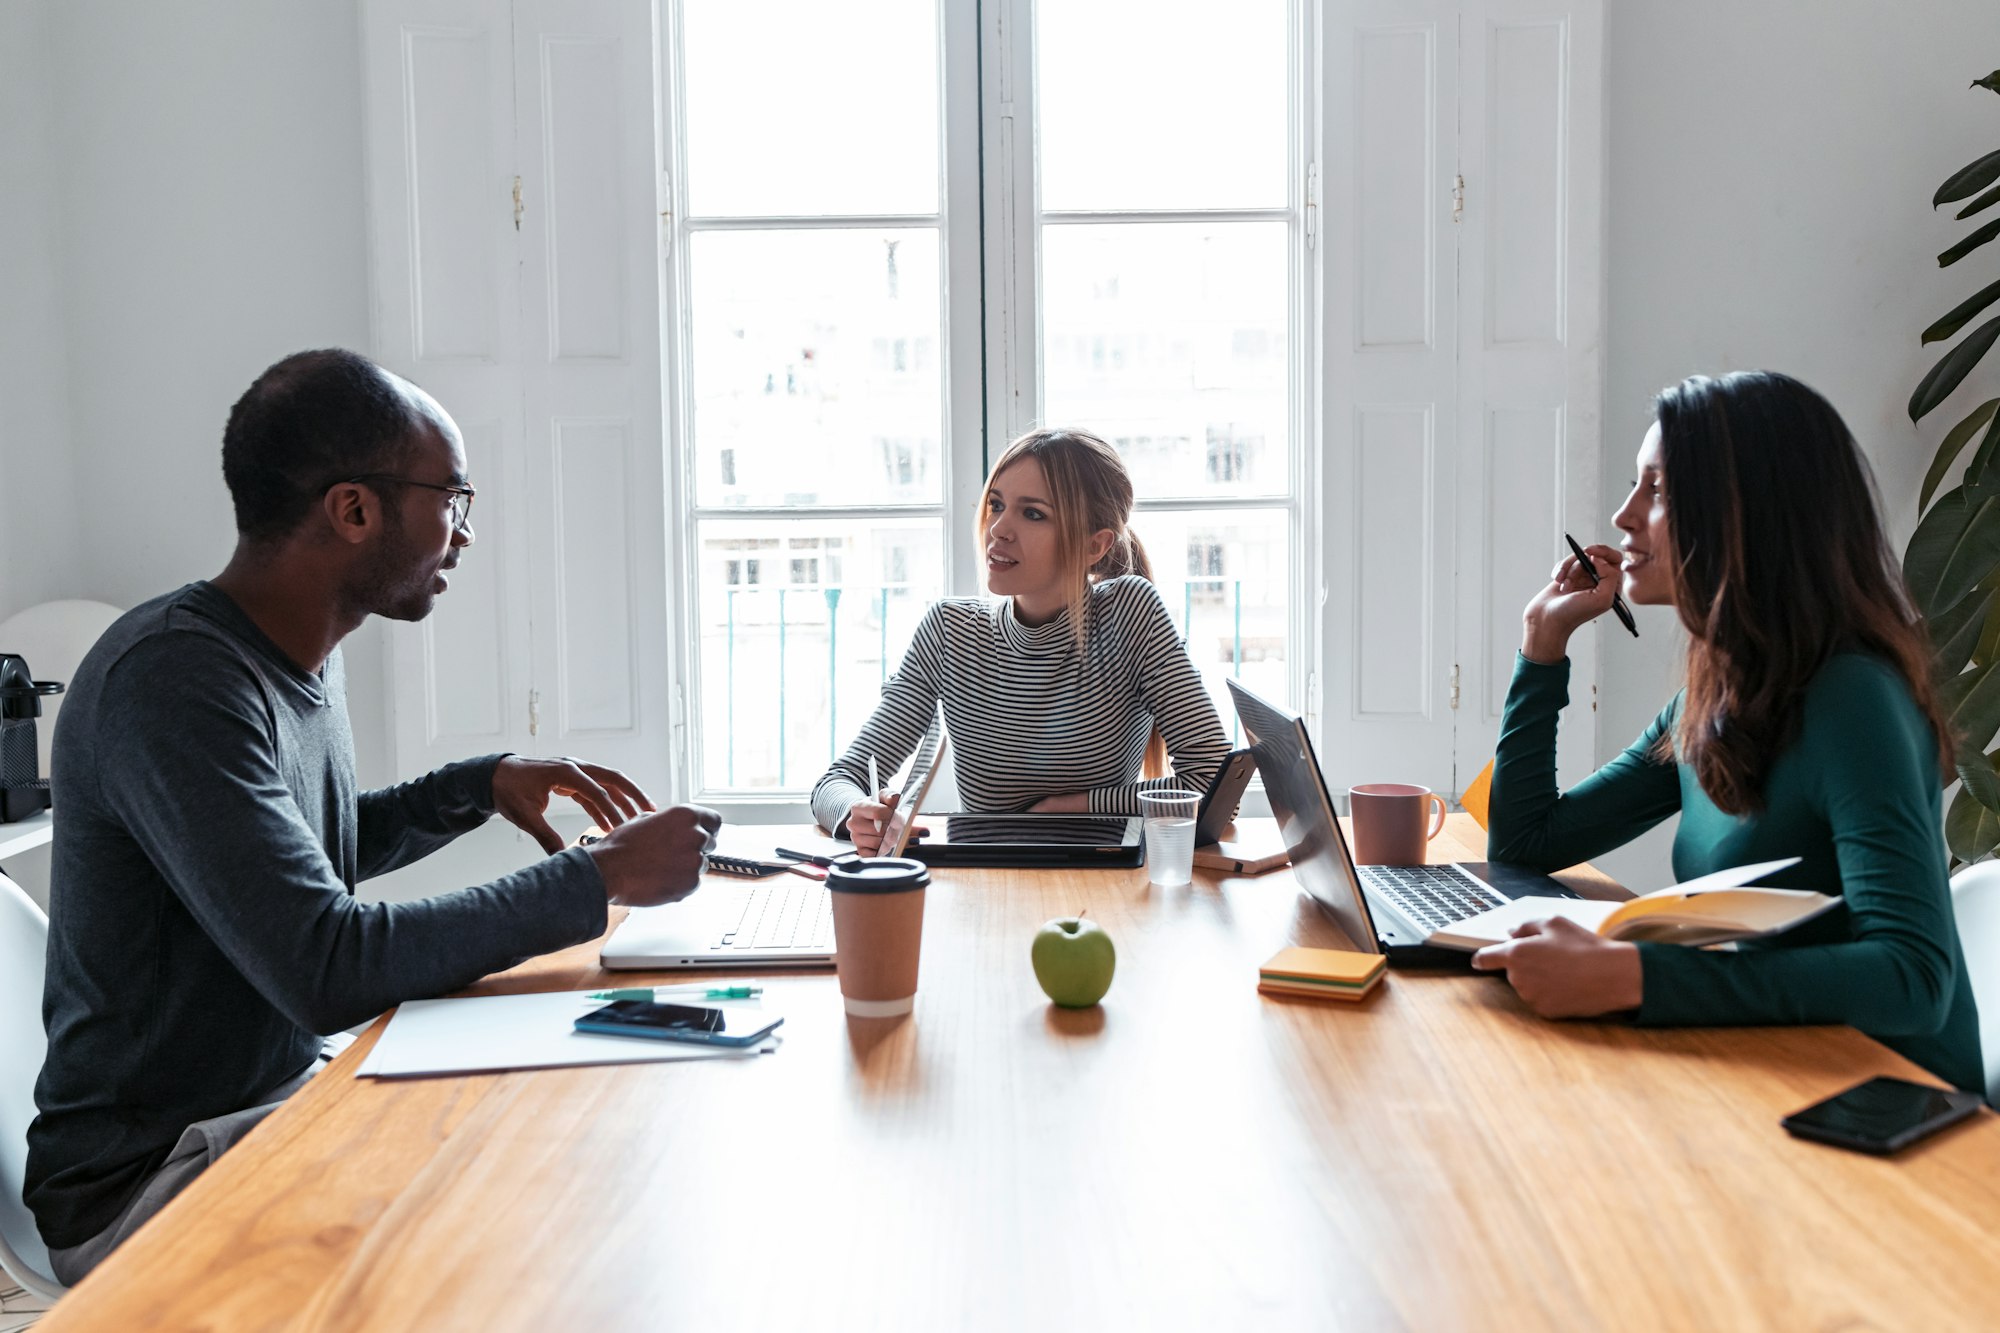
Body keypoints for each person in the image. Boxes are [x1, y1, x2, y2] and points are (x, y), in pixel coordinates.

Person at [26, 349, 722, 1282]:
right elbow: (328, 965)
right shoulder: (171, 681)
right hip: (151, 1183)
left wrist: (475, 785)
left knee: (573, 1139)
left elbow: (295, 853)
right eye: (452, 499)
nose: (463, 534)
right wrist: (598, 878)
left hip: (273, 1104)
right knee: (542, 1214)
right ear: (354, 510)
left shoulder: (290, 656)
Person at [1471, 370, 1982, 1094]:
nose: (1623, 515)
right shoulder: (1715, 694)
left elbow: (1911, 975)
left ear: (1746, 514)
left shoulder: (1852, 697)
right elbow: (1525, 843)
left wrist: (1635, 973)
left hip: (1889, 1103)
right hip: (1773, 1063)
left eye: (1657, 490)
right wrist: (1541, 644)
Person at [812, 427, 1230, 852]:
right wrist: (855, 815)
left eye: (1032, 514)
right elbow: (837, 782)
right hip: (985, 887)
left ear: (1095, 545)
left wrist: (1075, 807)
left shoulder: (1130, 612)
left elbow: (1213, 781)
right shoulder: (949, 630)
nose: (998, 529)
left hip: (1105, 888)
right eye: (996, 505)